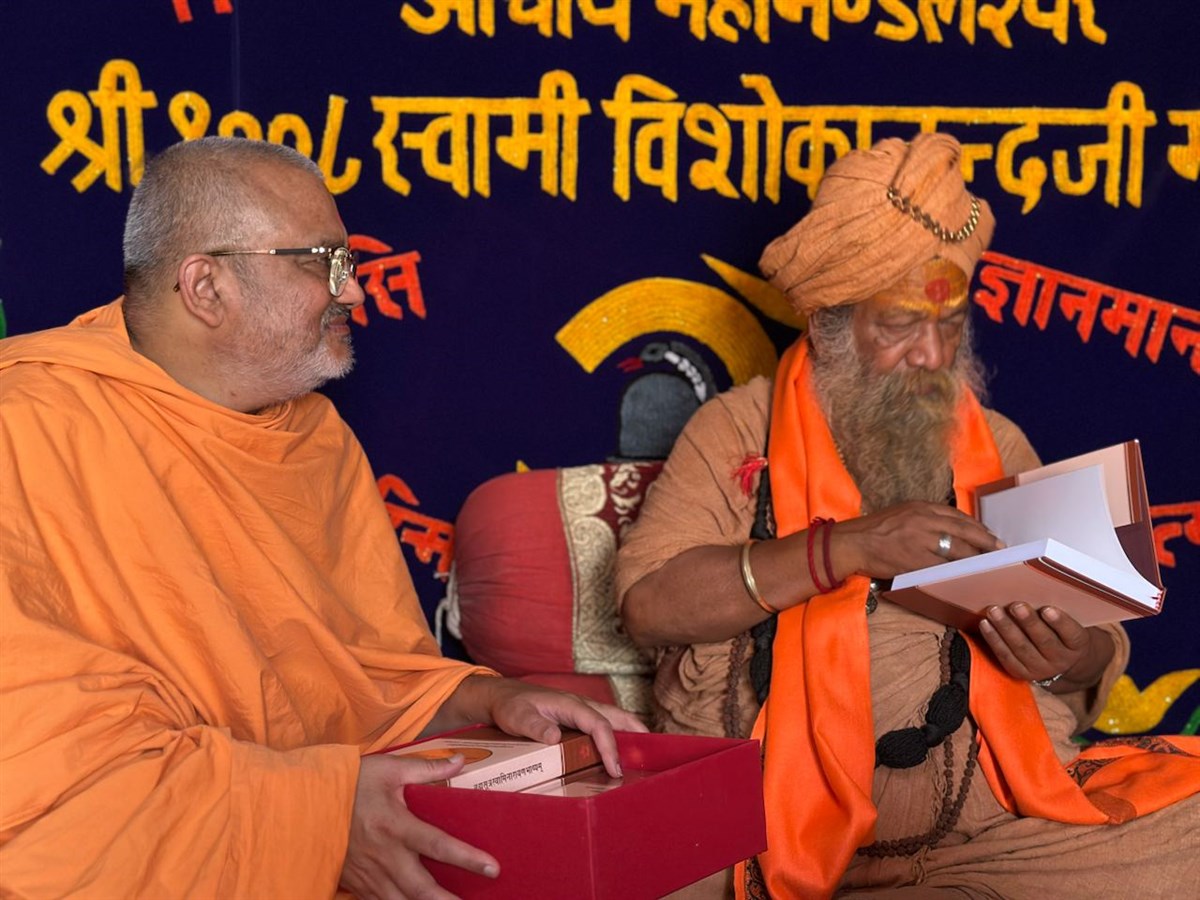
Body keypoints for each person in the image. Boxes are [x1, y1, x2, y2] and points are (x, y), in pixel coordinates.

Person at [0, 136, 645, 899]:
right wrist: (317, 819)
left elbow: (366, 676)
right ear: (205, 287)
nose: (356, 294)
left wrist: (488, 700)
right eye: (322, 263)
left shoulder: (312, 436)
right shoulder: (27, 432)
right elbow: (42, 767)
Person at [616, 133, 1200, 898]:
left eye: (949, 322)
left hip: (998, 844)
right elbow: (649, 608)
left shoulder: (996, 443)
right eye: (898, 324)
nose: (930, 353)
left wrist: (1059, 654)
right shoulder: (735, 430)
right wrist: (845, 548)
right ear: (831, 322)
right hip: (757, 844)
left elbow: (1093, 646)